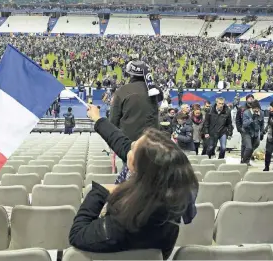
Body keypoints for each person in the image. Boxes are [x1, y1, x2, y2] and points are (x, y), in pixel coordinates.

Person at [69, 105, 199, 259]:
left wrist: (100, 191)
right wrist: (98, 119)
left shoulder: (123, 222)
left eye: (133, 148)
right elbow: (120, 141)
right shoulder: (169, 215)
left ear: (140, 168)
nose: (129, 147)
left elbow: (77, 234)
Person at [109, 60, 161, 183]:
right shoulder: (154, 90)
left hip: (129, 142)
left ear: (129, 73)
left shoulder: (122, 91)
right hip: (151, 141)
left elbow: (113, 121)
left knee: (129, 174)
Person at [241, 100, 264, 165]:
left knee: (256, 144)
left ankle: (246, 159)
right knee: (249, 147)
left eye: (258, 109)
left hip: (256, 132)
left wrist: (262, 132)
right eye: (255, 109)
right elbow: (244, 124)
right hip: (247, 132)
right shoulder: (246, 113)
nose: (256, 110)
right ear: (252, 108)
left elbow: (262, 124)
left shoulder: (261, 113)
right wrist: (251, 119)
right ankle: (244, 162)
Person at [236, 94, 255, 161]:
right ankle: (244, 159)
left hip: (253, 129)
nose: (251, 99)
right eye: (249, 98)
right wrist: (239, 129)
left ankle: (246, 158)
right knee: (245, 144)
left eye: (252, 98)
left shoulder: (255, 107)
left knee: (251, 145)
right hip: (244, 129)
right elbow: (238, 119)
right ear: (246, 99)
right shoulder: (241, 108)